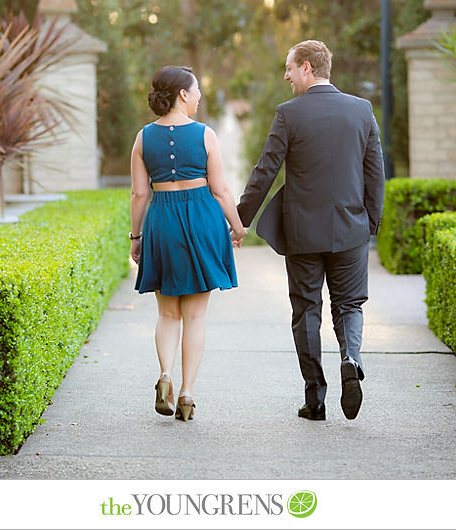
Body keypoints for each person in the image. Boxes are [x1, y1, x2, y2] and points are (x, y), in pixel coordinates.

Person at [236, 40, 385, 421]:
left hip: (303, 232)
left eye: (289, 68)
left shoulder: (289, 114)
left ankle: (314, 398)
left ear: (306, 68)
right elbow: (375, 174)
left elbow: (265, 171)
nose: (285, 76)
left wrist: (241, 220)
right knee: (349, 304)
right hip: (351, 229)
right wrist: (370, 223)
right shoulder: (361, 110)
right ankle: (351, 358)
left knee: (307, 310)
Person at [130, 65, 247, 421]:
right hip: (202, 221)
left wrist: (136, 237)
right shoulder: (205, 134)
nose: (198, 98)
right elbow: (221, 190)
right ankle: (186, 394)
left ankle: (165, 375)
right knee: (195, 316)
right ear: (183, 94)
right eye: (195, 91)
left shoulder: (143, 137)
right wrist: (238, 228)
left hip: (162, 220)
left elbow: (138, 194)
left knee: (167, 313)